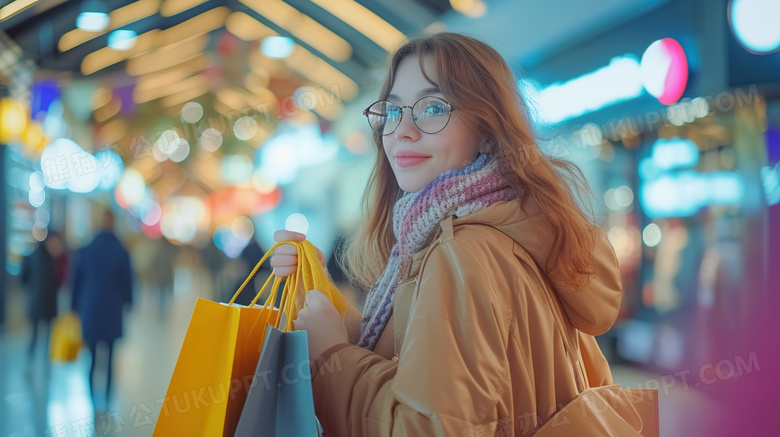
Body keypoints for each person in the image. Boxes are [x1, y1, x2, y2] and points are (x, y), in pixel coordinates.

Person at [271, 33, 623, 436]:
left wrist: (330, 355)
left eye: (433, 107)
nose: (402, 129)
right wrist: (322, 296)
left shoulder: (461, 252)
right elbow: (424, 356)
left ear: (487, 129)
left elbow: (426, 427)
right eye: (393, 110)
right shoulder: (519, 230)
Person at [71, 208, 133, 406]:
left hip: (90, 310)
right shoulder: (121, 251)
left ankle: (90, 397)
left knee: (92, 358)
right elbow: (128, 282)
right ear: (113, 223)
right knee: (110, 359)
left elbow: (76, 281)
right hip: (113, 311)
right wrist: (129, 302)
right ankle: (105, 399)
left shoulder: (87, 249)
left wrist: (73, 308)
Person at [20, 231, 67, 362]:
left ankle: (38, 360)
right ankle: (34, 360)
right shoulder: (48, 259)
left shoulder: (48, 257)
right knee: (37, 335)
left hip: (41, 302)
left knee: (41, 335)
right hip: (41, 302)